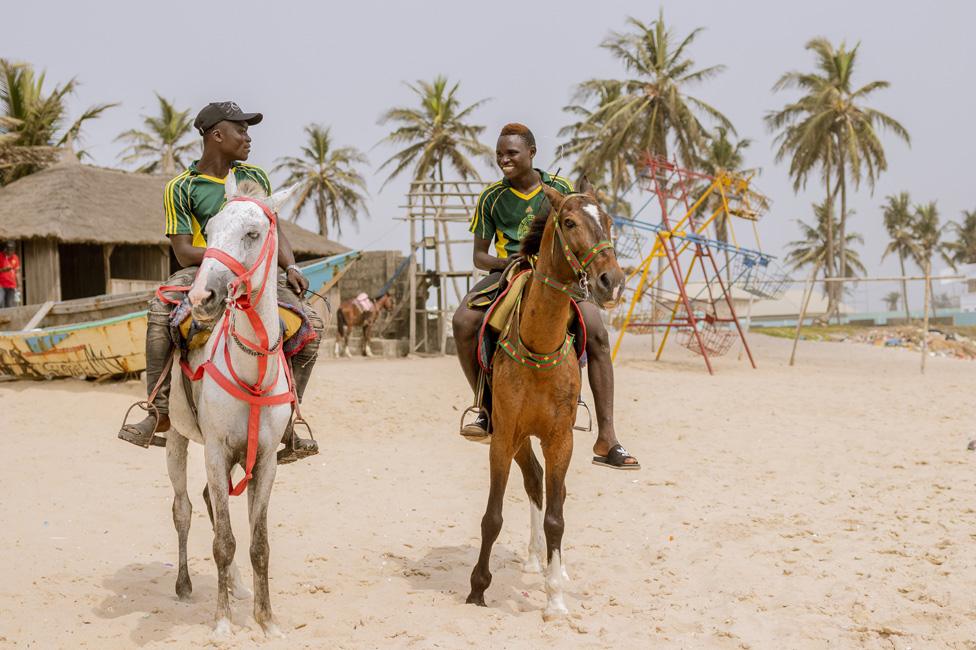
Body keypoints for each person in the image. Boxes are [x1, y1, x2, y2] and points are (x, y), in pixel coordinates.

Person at [118, 101, 321, 464]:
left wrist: (290, 266)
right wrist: (224, 259)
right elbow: (182, 250)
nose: (248, 138)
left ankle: (291, 418)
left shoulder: (254, 177)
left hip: (254, 271)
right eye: (241, 130)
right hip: (202, 271)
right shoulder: (181, 187)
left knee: (312, 324)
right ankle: (157, 409)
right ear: (217, 135)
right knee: (159, 313)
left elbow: (273, 228)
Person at [452, 123, 640, 470]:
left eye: (511, 153)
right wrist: (507, 261)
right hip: (510, 272)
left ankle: (608, 437)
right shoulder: (492, 197)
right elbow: (479, 256)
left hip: (560, 276)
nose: (504, 159)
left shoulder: (561, 190)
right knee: (463, 320)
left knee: (597, 332)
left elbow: (583, 231)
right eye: (500, 154)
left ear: (531, 154)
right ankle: (484, 407)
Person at [0, 242, 21, 308]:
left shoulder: (15, 257)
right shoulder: (0, 256)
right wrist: (3, 270)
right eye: (9, 250)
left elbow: (17, 272)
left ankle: (7, 318)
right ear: (5, 249)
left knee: (10, 305)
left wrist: (19, 285)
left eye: (12, 250)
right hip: (1, 285)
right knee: (0, 302)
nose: (10, 252)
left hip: (12, 285)